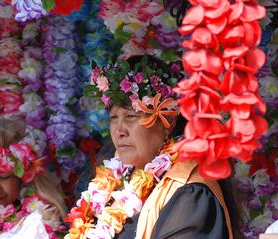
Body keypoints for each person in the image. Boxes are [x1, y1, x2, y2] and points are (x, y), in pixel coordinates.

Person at [65, 55, 235, 239]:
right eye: (114, 118)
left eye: (131, 116)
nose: (120, 131)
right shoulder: (112, 184)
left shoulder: (190, 192)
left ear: (167, 120)